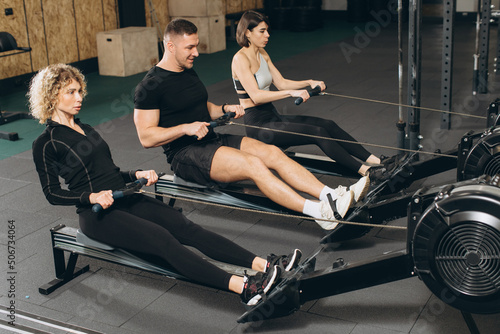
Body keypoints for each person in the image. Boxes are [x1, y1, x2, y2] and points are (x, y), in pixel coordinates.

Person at [29, 63, 303, 306]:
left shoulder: (86, 128)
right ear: (52, 96)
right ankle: (245, 287)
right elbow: (52, 193)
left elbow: (109, 171)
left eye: (79, 91)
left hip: (126, 197)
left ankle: (265, 265)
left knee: (188, 228)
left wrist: (136, 173)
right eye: (71, 92)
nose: (79, 98)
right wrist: (92, 198)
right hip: (98, 215)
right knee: (164, 241)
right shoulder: (45, 143)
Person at [133, 18, 370, 231]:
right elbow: (146, 137)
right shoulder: (149, 87)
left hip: (211, 139)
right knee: (254, 165)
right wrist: (185, 128)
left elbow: (203, 108)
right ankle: (319, 212)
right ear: (170, 46)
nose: (196, 52)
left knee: (272, 153)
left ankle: (330, 195)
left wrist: (225, 109)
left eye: (196, 46)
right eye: (190, 48)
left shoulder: (187, 71)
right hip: (185, 154)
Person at [231, 10, 397, 182]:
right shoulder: (240, 59)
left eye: (267, 30)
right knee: (317, 133)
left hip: (272, 116)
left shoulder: (262, 53)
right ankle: (366, 171)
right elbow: (256, 96)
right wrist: (290, 93)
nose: (268, 35)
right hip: (259, 126)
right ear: (247, 33)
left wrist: (309, 82)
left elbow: (281, 82)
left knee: (327, 124)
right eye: (262, 31)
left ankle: (377, 161)